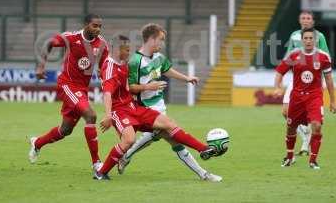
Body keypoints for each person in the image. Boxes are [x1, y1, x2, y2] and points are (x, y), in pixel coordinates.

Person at [95, 35, 219, 180]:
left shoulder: (123, 63)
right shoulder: (110, 67)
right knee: (129, 140)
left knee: (168, 124)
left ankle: (203, 149)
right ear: (117, 50)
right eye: (127, 50)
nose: (129, 53)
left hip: (134, 108)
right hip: (119, 111)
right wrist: (108, 115)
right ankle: (102, 172)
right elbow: (107, 94)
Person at [28, 14, 109, 172]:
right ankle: (97, 163)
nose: (98, 29)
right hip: (67, 85)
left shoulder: (102, 44)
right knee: (91, 116)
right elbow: (49, 43)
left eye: (100, 26)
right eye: (94, 25)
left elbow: (103, 65)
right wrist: (41, 66)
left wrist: (102, 72)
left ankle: (37, 143)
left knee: (65, 130)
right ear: (86, 24)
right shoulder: (71, 38)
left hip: (82, 89)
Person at [274, 28, 336, 169]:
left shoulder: (323, 57)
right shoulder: (294, 55)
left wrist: (333, 100)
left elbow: (329, 79)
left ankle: (313, 160)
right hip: (297, 97)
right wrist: (278, 87)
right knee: (291, 128)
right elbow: (279, 71)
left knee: (317, 126)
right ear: (302, 40)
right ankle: (289, 157)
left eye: (311, 38)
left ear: (315, 40)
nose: (308, 41)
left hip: (314, 97)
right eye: (306, 38)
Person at [283, 10, 330, 156]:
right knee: (286, 112)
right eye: (303, 18)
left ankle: (307, 141)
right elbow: (289, 55)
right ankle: (305, 134)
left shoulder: (319, 36)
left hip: (313, 81)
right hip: (296, 80)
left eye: (308, 18)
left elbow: (325, 56)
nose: (305, 20)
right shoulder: (294, 35)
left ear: (313, 21)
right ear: (299, 20)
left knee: (312, 116)